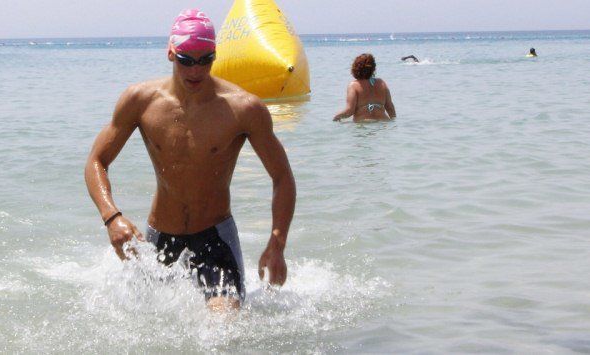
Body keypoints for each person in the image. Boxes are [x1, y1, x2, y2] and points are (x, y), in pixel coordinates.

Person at [84, 9, 296, 311]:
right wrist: (111, 217)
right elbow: (96, 159)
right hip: (159, 238)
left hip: (215, 239)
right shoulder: (140, 101)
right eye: (186, 60)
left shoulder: (243, 109)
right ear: (171, 53)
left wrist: (277, 244)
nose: (196, 70)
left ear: (215, 54)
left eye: (205, 59)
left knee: (225, 331)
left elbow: (282, 176)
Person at [334, 53, 396, 121]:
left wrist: (337, 117)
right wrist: (394, 125)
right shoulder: (381, 83)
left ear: (355, 68)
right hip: (383, 123)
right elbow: (390, 108)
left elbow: (349, 111)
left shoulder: (353, 86)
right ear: (373, 68)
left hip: (364, 125)